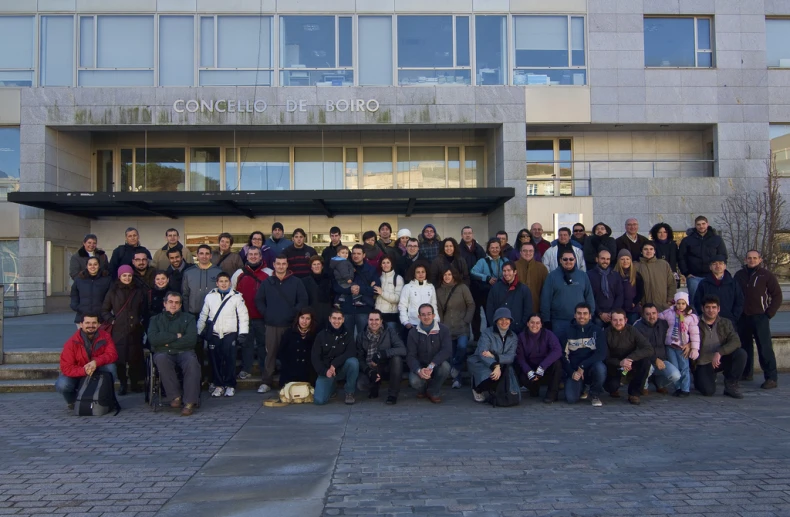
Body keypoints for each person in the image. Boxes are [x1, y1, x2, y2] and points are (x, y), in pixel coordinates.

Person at [255, 255, 308, 393]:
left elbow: (303, 300)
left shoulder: (296, 282)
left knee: (290, 354)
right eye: (278, 264)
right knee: (270, 354)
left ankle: (289, 381)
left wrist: (294, 314)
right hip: (272, 324)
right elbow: (259, 300)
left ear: (287, 265)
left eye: (283, 264)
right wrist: (266, 313)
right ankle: (266, 382)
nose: (281, 266)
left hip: (290, 325)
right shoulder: (267, 282)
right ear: (274, 264)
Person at [734, 250, 783, 388]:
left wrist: (769, 313)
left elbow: (777, 296)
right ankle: (746, 373)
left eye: (755, 258)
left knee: (765, 347)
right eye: (749, 258)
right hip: (743, 317)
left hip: (760, 316)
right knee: (744, 346)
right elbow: (734, 294)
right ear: (745, 259)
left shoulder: (766, 275)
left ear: (760, 259)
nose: (752, 260)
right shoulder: (739, 275)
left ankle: (771, 377)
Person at [147, 292, 200, 416]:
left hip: (184, 351)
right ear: (165, 304)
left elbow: (191, 340)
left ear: (180, 305)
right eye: (170, 302)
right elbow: (153, 339)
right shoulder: (155, 319)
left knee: (192, 362)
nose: (173, 305)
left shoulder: (189, 318)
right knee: (161, 359)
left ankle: (189, 402)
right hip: (164, 353)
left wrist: (167, 343)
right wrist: (176, 336)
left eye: (176, 302)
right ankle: (175, 396)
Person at [197, 272, 249, 398]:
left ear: (230, 283)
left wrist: (243, 333)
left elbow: (243, 316)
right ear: (217, 283)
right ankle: (218, 384)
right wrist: (199, 331)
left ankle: (230, 385)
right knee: (215, 360)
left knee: (230, 360)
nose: (224, 284)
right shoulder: (210, 297)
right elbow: (204, 315)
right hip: (214, 333)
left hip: (229, 333)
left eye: (226, 281)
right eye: (221, 281)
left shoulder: (236, 297)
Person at [101, 265, 147, 395]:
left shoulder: (138, 290)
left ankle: (134, 383)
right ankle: (122, 384)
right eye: (124, 275)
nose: (127, 278)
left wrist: (141, 321)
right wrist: (111, 320)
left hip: (135, 329)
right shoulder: (113, 291)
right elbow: (104, 310)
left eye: (129, 275)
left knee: (134, 358)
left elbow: (144, 309)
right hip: (118, 330)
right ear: (120, 276)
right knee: (120, 359)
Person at [56, 313, 118, 409]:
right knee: (62, 384)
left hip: (98, 368)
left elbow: (112, 355)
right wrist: (84, 370)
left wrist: (95, 362)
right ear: (81, 324)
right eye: (87, 323)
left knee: (111, 367)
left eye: (94, 323)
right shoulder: (71, 342)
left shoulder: (105, 336)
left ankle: (105, 397)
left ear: (98, 324)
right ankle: (73, 401)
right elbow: (66, 367)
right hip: (79, 372)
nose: (91, 326)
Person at [181, 244, 222, 383]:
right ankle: (197, 379)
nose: (204, 256)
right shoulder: (189, 272)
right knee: (196, 349)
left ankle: (212, 379)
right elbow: (185, 295)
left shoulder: (218, 272)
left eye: (206, 253)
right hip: (194, 315)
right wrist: (186, 314)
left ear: (210, 255)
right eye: (201, 253)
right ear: (197, 256)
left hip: (213, 317)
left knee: (212, 349)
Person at [540, 250, 595, 346]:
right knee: (559, 348)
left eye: (571, 259)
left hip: (580, 321)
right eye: (565, 259)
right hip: (559, 321)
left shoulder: (583, 275)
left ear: (575, 260)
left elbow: (589, 297)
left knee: (579, 349)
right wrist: (546, 319)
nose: (568, 261)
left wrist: (591, 315)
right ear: (560, 260)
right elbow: (545, 299)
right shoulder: (552, 276)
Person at [695, 295, 747, 398]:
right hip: (702, 362)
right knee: (708, 391)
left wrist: (720, 352)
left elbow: (736, 341)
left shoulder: (725, 322)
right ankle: (701, 379)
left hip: (720, 359)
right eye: (707, 307)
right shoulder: (695, 322)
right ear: (702, 308)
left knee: (741, 353)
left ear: (718, 309)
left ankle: (731, 384)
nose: (711, 310)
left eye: (714, 307)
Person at [468, 307, 519, 403]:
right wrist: (496, 365)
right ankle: (477, 388)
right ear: (496, 321)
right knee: (489, 375)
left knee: (504, 374)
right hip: (482, 362)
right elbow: (482, 353)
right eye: (501, 319)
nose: (504, 322)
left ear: (510, 321)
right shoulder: (487, 333)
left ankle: (494, 389)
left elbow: (511, 356)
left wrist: (495, 357)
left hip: (500, 363)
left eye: (507, 319)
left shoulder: (513, 336)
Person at [234, 246, 270, 380]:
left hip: (263, 317)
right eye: (251, 255)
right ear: (247, 257)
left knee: (263, 344)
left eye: (256, 254)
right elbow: (233, 294)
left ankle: (263, 368)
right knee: (246, 344)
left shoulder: (269, 273)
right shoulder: (238, 273)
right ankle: (246, 368)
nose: (253, 257)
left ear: (261, 257)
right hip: (244, 317)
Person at [356, 309, 407, 404]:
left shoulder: (389, 332)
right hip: (370, 366)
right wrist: (368, 370)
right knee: (361, 385)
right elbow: (360, 358)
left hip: (386, 366)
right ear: (367, 321)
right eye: (371, 320)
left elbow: (402, 349)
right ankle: (374, 385)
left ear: (381, 321)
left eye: (376, 320)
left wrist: (382, 354)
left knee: (397, 359)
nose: (374, 322)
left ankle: (392, 395)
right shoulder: (361, 336)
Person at [436, 267, 475, 389]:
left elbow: (471, 304)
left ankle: (456, 368)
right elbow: (438, 309)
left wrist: (466, 320)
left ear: (453, 275)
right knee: (451, 354)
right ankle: (457, 380)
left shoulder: (462, 288)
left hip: (462, 326)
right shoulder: (438, 291)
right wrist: (441, 325)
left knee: (462, 347)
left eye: (449, 274)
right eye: (445, 274)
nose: (447, 277)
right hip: (447, 327)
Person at [562, 303, 607, 407]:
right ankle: (582, 389)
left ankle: (595, 394)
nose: (582, 316)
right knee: (571, 399)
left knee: (601, 368)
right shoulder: (567, 331)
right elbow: (562, 355)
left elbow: (601, 353)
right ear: (575, 315)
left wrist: (582, 366)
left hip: (592, 368)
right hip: (574, 370)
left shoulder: (597, 330)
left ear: (590, 316)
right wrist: (571, 372)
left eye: (585, 313)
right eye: (579, 313)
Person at [604, 310, 653, 405]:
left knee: (645, 362)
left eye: (620, 320)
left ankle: (634, 394)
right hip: (614, 366)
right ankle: (616, 386)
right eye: (615, 320)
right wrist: (620, 363)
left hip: (630, 364)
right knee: (612, 386)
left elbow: (648, 348)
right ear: (611, 321)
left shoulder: (632, 330)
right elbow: (604, 357)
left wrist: (630, 359)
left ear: (625, 320)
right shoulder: (606, 333)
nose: (618, 323)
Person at [406, 303, 452, 403]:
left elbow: (447, 350)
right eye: (423, 314)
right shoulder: (413, 332)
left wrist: (431, 365)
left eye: (429, 314)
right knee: (414, 381)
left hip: (436, 365)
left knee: (446, 367)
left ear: (433, 315)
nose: (426, 317)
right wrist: (418, 370)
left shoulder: (444, 330)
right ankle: (423, 390)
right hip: (420, 365)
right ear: (419, 317)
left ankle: (433, 391)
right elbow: (410, 355)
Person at [312, 310, 359, 405]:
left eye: (339, 318)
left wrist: (334, 364)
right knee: (319, 401)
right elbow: (315, 357)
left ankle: (349, 392)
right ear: (329, 319)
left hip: (341, 369)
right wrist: (325, 371)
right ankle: (332, 388)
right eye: (334, 318)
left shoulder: (348, 334)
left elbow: (351, 352)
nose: (336, 321)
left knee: (353, 362)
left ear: (343, 320)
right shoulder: (321, 335)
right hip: (326, 371)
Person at [657, 292, 699, 397]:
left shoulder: (690, 317)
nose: (680, 306)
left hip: (682, 346)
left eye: (683, 303)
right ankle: (678, 387)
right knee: (674, 367)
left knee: (684, 367)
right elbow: (658, 316)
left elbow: (694, 333)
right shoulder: (669, 313)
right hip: (670, 344)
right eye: (678, 303)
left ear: (687, 304)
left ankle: (685, 388)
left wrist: (694, 348)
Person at [334, 245, 380, 338]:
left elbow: (376, 289)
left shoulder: (371, 269)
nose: (356, 256)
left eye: (359, 253)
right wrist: (349, 289)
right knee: (347, 338)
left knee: (363, 338)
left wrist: (360, 289)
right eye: (354, 253)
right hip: (347, 308)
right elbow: (335, 286)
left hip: (364, 309)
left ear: (364, 255)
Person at [634, 303, 681, 395]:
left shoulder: (664, 323)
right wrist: (654, 359)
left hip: (662, 359)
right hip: (645, 360)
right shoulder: (637, 327)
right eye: (648, 314)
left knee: (676, 375)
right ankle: (644, 386)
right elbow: (640, 348)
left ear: (657, 313)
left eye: (654, 313)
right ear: (643, 315)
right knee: (647, 367)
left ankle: (660, 384)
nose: (652, 316)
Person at [679, 215, 728, 303]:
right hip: (694, 277)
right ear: (695, 225)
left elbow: (723, 256)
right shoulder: (687, 240)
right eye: (698, 224)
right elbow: (681, 257)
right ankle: (695, 317)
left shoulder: (717, 239)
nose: (701, 226)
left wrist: (720, 272)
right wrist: (686, 273)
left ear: (707, 224)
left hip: (713, 276)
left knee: (713, 301)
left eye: (703, 224)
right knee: (694, 302)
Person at [516, 314, 562, 403]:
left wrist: (542, 366)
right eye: (532, 322)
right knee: (519, 369)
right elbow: (519, 357)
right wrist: (528, 370)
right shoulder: (521, 337)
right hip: (530, 368)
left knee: (557, 364)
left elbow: (557, 350)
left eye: (537, 323)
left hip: (545, 367)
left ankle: (552, 394)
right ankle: (533, 388)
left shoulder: (548, 334)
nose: (535, 325)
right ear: (527, 324)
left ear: (541, 325)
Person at [693, 255, 744, 325]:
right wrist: (704, 316)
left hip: (729, 321)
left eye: (720, 263)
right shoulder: (704, 283)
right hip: (709, 322)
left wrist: (734, 317)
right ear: (710, 267)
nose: (718, 266)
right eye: (714, 264)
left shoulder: (733, 283)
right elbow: (697, 301)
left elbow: (739, 301)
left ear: (725, 266)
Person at [471, 238, 509, 330]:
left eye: (497, 247)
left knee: (502, 316)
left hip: (503, 292)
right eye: (492, 248)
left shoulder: (505, 260)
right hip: (487, 293)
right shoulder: (482, 261)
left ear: (500, 248)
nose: (495, 250)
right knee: (490, 317)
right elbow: (473, 272)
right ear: (488, 249)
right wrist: (486, 278)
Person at [486, 262, 533, 335]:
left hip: (517, 330)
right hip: (498, 328)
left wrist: (521, 327)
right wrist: (494, 325)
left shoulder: (524, 289)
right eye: (504, 271)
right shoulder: (495, 288)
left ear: (515, 272)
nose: (506, 273)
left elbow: (528, 310)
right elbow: (489, 308)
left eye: (509, 270)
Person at [278, 308, 318, 386]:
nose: (304, 321)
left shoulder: (315, 335)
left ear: (311, 320)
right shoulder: (289, 333)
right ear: (298, 318)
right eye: (302, 318)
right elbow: (281, 352)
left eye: (307, 318)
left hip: (308, 373)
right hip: (290, 372)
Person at [460, 226, 487, 339]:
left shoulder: (479, 249)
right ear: (462, 235)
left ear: (473, 234)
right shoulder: (458, 249)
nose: (467, 235)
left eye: (469, 233)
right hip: (464, 285)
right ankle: (463, 337)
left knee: (476, 312)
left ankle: (477, 335)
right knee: (464, 311)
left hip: (477, 285)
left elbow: (484, 266)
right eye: (465, 233)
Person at [70, 256, 112, 324]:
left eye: (95, 264)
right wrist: (78, 307)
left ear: (99, 266)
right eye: (90, 264)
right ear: (86, 266)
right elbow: (74, 295)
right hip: (82, 317)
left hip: (101, 318)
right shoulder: (79, 280)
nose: (92, 267)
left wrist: (105, 310)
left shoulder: (107, 280)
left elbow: (111, 297)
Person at [587, 249, 623, 327]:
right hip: (596, 315)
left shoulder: (615, 275)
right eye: (603, 258)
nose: (605, 261)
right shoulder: (589, 275)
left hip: (613, 315)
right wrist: (600, 313)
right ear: (597, 259)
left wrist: (612, 312)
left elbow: (620, 295)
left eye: (608, 259)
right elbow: (588, 296)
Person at [637, 241, 676, 312]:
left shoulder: (663, 264)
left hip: (663, 306)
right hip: (644, 307)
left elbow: (671, 283)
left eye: (651, 249)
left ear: (654, 251)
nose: (648, 251)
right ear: (641, 251)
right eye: (645, 249)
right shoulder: (636, 266)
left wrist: (670, 299)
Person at [399, 262, 439, 330]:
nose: (421, 274)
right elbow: (402, 306)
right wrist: (405, 322)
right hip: (413, 324)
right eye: (418, 272)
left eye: (423, 272)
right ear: (414, 274)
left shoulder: (431, 287)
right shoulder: (408, 287)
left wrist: (436, 320)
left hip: (429, 324)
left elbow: (433, 305)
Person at [514, 241, 548, 319]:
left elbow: (546, 290)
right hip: (517, 308)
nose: (527, 253)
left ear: (534, 252)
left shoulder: (541, 268)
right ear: (520, 252)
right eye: (525, 251)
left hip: (536, 308)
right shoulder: (513, 266)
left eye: (530, 251)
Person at [302, 256, 333, 331]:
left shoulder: (329, 279)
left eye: (318, 264)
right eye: (314, 264)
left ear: (322, 266)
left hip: (327, 313)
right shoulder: (304, 281)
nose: (316, 266)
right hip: (312, 314)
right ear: (311, 267)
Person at [374, 256, 404, 332]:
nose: (385, 265)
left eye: (388, 262)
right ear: (380, 265)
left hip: (391, 315)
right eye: (383, 263)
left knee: (392, 340)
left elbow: (397, 299)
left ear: (391, 264)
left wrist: (382, 293)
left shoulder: (398, 278)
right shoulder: (377, 278)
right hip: (378, 315)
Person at [614, 249, 645, 324]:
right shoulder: (614, 274)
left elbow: (641, 292)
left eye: (627, 259)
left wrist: (634, 302)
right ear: (618, 261)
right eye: (622, 259)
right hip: (618, 310)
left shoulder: (636, 275)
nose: (625, 261)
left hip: (632, 310)